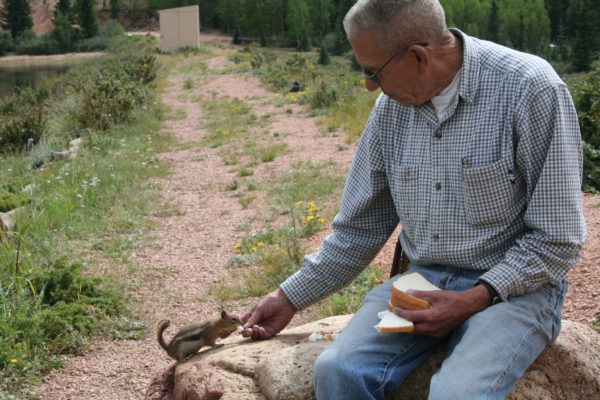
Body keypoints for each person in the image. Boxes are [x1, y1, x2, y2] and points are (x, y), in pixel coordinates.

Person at [241, 0, 587, 398]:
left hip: (516, 289)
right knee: (338, 371)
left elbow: (557, 238)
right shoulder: (390, 109)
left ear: (418, 56)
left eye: (372, 71)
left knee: (454, 394)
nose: (369, 84)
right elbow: (358, 229)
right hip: (423, 282)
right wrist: (288, 298)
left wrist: (475, 299)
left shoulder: (531, 88)